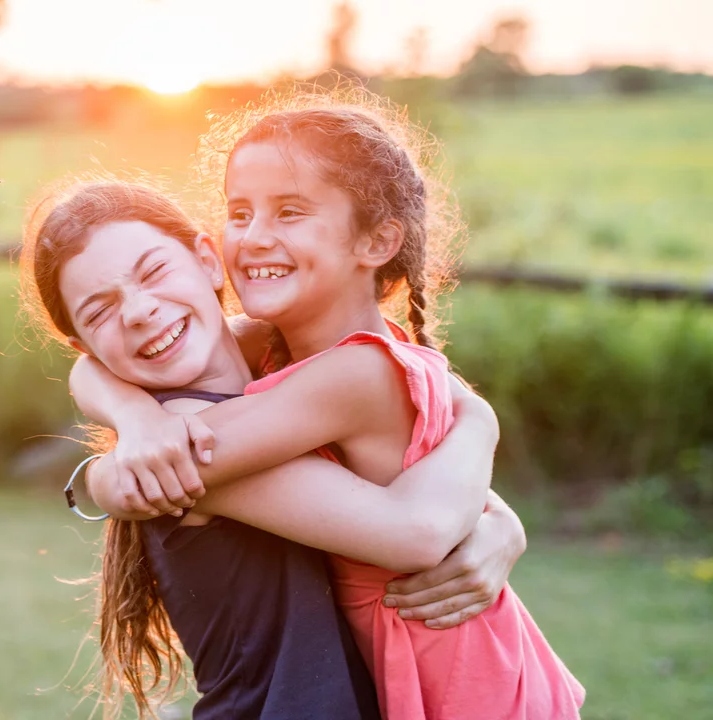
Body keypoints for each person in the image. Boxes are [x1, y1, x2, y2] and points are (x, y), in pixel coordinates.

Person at [66, 93, 585, 719]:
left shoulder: (354, 373)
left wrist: (103, 472)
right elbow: (90, 365)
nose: (255, 237)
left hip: (465, 679)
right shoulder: (280, 348)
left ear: (376, 241)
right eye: (240, 212)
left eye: (289, 212)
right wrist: (134, 415)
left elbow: (158, 472)